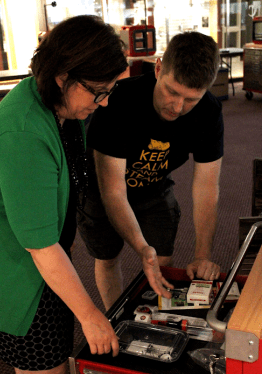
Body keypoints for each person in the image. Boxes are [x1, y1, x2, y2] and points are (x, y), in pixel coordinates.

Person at [0, 15, 128, 374]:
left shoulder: (58, 107)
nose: (105, 102)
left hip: (40, 264)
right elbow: (41, 246)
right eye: (99, 92)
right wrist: (91, 316)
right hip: (15, 273)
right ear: (64, 76)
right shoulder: (23, 132)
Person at [77, 31, 223, 311]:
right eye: (172, 92)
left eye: (191, 99)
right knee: (108, 259)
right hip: (100, 189)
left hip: (154, 186)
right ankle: (115, 317)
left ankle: (157, 317)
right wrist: (141, 247)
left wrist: (202, 255)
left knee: (161, 258)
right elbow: (114, 191)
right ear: (158, 69)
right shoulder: (118, 103)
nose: (178, 107)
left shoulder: (209, 112)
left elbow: (207, 185)